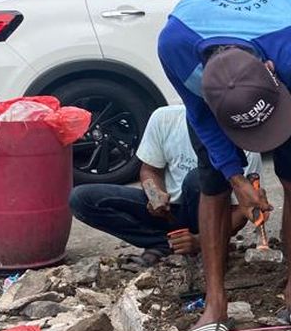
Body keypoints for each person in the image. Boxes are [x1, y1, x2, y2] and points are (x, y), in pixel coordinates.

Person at [157, 0, 291, 331]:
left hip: (278, 41)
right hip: (207, 72)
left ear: (271, 69)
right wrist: (235, 177)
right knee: (211, 182)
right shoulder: (174, 47)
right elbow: (199, 116)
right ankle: (215, 302)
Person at [69, 105, 261, 269]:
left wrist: (201, 239)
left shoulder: (245, 143)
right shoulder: (165, 118)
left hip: (210, 216)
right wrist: (155, 195)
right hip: (168, 211)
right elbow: (149, 170)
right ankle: (165, 243)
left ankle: (205, 245)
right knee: (81, 198)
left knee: (198, 179)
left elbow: (242, 210)